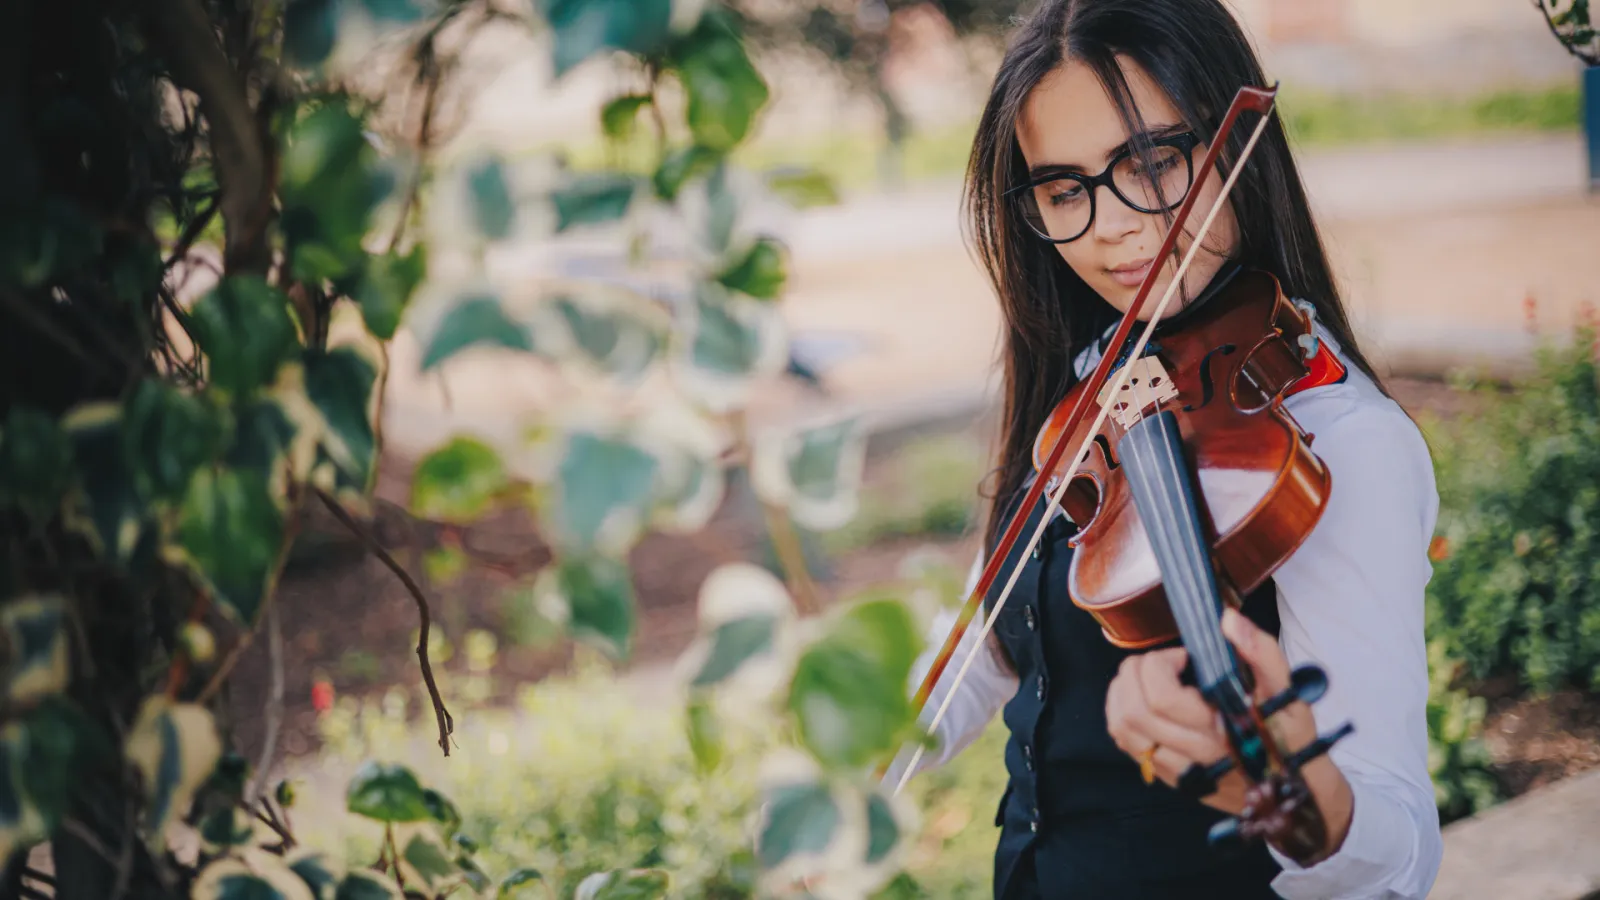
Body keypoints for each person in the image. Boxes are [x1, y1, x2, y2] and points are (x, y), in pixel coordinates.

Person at [883, 1, 1443, 898]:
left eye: (1151, 160)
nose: (1111, 226)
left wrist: (1301, 793)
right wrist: (858, 767)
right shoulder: (1095, 386)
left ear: (1232, 143)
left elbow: (1399, 856)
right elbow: (992, 644)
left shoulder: (1340, 448)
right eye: (1064, 189)